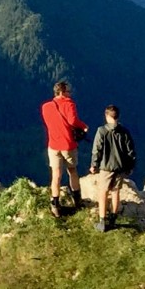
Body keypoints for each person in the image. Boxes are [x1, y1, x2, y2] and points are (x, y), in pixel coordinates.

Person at [39, 81, 88, 216]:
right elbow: (72, 121)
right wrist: (84, 126)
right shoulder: (69, 104)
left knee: (56, 175)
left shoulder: (45, 107)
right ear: (61, 92)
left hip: (53, 145)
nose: (69, 94)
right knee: (72, 171)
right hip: (68, 144)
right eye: (67, 92)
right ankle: (77, 200)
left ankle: (55, 203)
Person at [89, 104, 137, 231]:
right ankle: (113, 219)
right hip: (120, 167)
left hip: (106, 167)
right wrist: (130, 166)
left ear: (106, 116)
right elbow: (130, 151)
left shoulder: (102, 131)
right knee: (116, 192)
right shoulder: (124, 132)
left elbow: (97, 150)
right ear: (118, 116)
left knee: (103, 192)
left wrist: (94, 165)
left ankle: (102, 222)